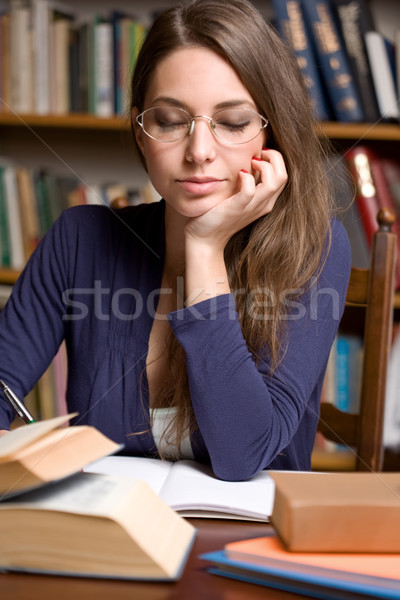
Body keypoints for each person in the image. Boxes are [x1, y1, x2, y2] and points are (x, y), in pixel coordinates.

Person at [0, 0, 350, 480]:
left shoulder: (316, 247)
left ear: (272, 136)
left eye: (232, 123)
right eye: (169, 120)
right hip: (106, 536)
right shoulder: (79, 238)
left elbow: (243, 455)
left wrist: (204, 248)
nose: (200, 152)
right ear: (142, 132)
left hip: (249, 547)